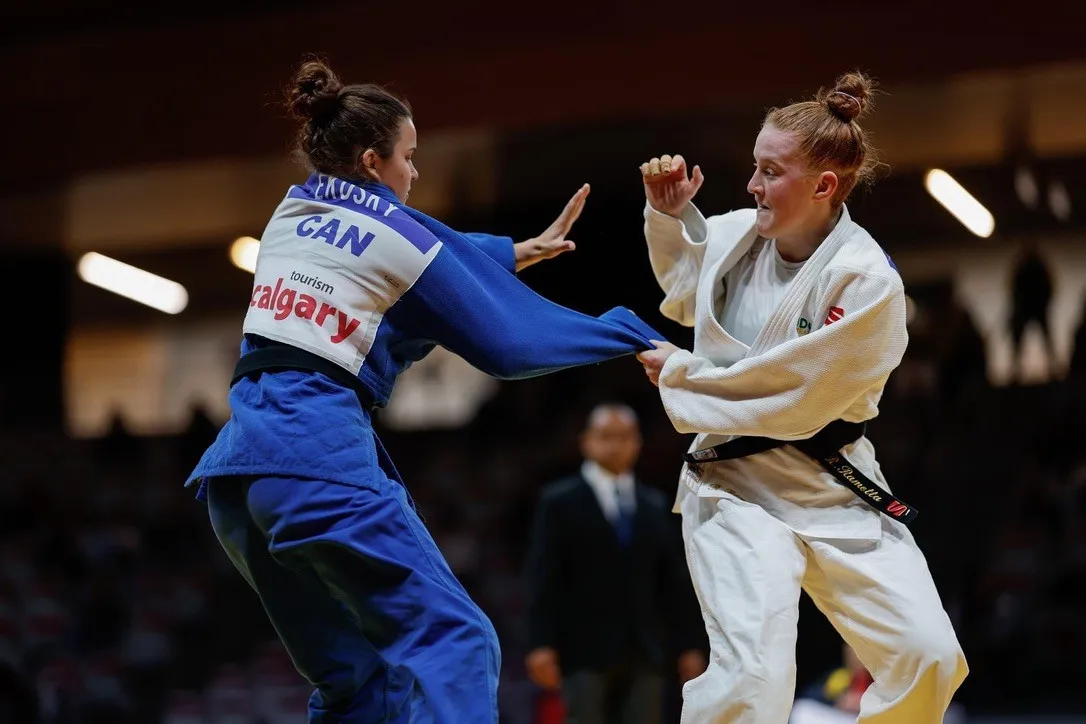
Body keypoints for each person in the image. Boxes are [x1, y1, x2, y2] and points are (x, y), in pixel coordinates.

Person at [185, 58, 663, 724]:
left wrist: (503, 253)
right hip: (315, 458)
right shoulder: (401, 235)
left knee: (361, 681)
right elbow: (511, 344)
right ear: (376, 160)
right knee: (458, 643)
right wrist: (625, 331)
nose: (415, 173)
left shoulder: (292, 209)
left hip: (238, 479)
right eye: (410, 157)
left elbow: (411, 253)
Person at [634, 71, 968, 723]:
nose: (754, 185)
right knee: (753, 680)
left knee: (930, 658)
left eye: (771, 171)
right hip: (732, 483)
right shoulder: (734, 236)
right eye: (755, 168)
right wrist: (669, 217)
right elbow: (681, 293)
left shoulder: (867, 282)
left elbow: (799, 395)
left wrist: (683, 376)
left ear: (823, 186)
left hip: (831, 481)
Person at [524, 403, 707, 724]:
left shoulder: (655, 502)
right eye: (606, 436)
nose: (615, 444)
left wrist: (689, 644)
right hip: (581, 648)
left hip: (645, 649)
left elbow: (673, 582)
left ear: (637, 443)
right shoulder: (559, 501)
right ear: (586, 442)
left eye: (624, 437)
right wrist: (541, 643)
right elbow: (544, 577)